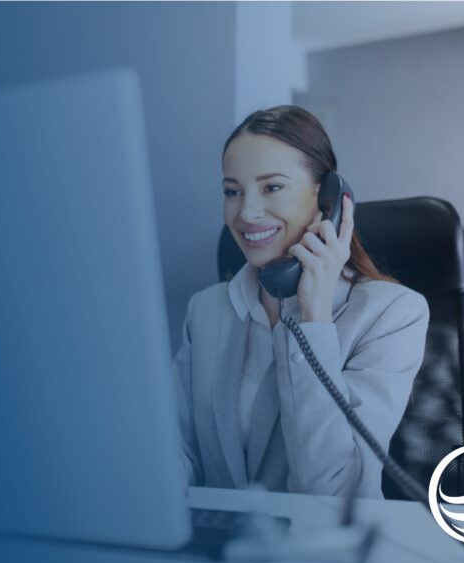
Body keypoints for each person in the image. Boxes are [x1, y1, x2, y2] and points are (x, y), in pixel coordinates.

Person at [173, 105, 429, 498]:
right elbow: (179, 454)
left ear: (327, 199)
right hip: (224, 549)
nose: (247, 212)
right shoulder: (206, 311)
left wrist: (314, 318)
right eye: (232, 191)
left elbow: (332, 490)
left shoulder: (392, 315)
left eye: (271, 187)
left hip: (323, 552)